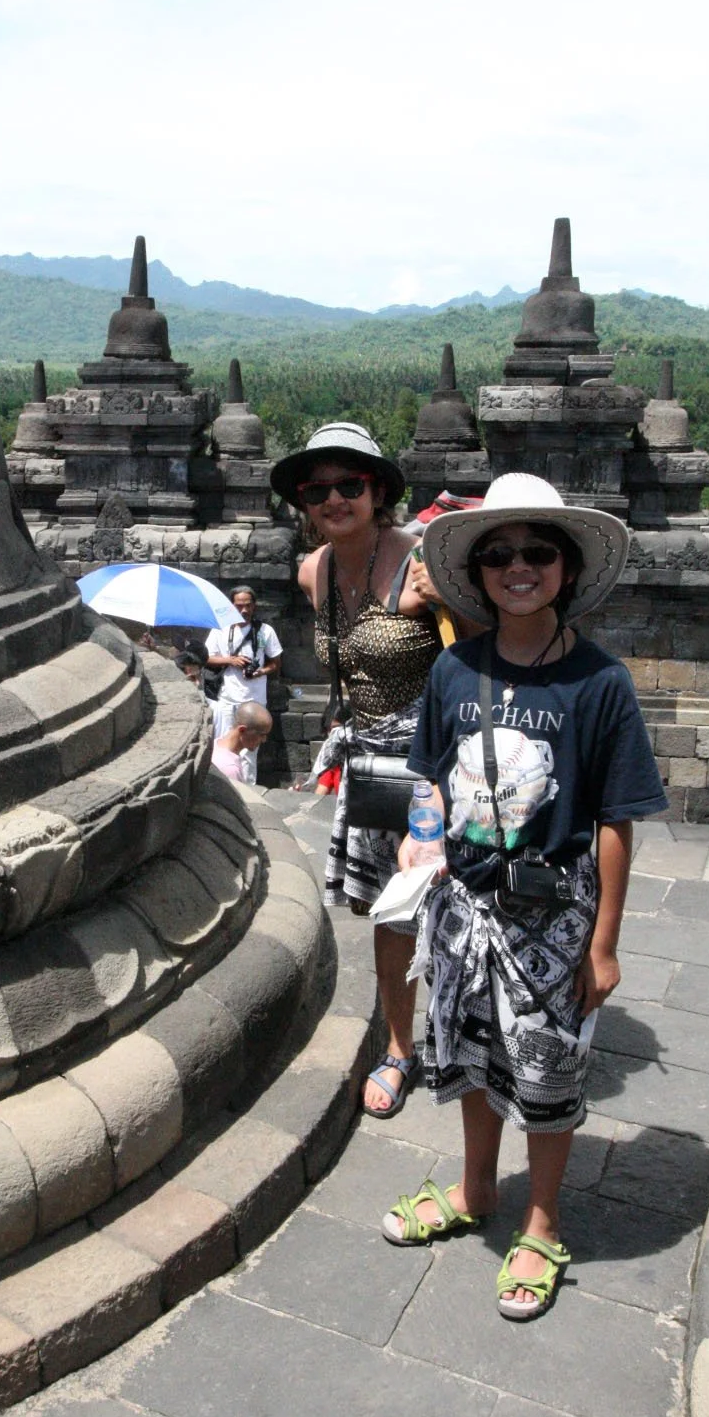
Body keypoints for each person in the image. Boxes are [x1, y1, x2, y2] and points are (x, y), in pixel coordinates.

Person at [381, 473, 665, 1321]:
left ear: (566, 569)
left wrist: (604, 943)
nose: (518, 567)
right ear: (479, 571)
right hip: (466, 901)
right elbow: (429, 774)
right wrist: (420, 835)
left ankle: (541, 1221)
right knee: (469, 1055)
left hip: (555, 910)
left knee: (545, 1072)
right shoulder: (454, 669)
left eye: (537, 551)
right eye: (499, 554)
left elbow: (616, 819)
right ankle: (475, 1191)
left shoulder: (598, 683)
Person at [271, 421, 445, 1121]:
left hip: (435, 755)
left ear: (379, 492)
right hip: (370, 757)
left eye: (351, 485)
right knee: (388, 911)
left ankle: (464, 1032)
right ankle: (401, 1048)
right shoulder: (314, 571)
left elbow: (474, 666)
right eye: (319, 491)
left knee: (451, 906)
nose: (335, 499)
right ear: (305, 504)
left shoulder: (422, 564)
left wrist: (429, 607)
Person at [204, 588, 282, 779]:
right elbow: (206, 658)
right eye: (239, 606)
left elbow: (276, 664)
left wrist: (260, 671)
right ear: (231, 606)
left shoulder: (265, 631)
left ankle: (248, 790)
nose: (244, 610)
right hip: (227, 699)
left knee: (250, 753)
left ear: (254, 606)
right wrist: (230, 660)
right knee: (223, 746)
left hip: (254, 702)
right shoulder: (220, 629)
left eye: (248, 605)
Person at [211, 700, 272, 783]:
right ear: (242, 730)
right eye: (261, 735)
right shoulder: (230, 769)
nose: (264, 740)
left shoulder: (214, 745)